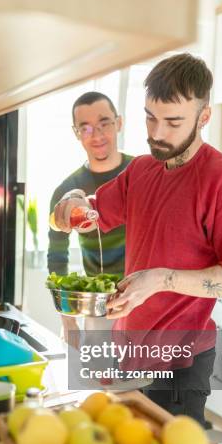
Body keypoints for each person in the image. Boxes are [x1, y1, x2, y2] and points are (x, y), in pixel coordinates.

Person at [53, 53, 222, 425]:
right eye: (151, 117)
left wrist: (161, 278)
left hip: (180, 362)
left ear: (204, 117)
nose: (157, 133)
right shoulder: (142, 170)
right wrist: (73, 202)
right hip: (125, 346)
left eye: (173, 122)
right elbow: (92, 214)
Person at [48, 92, 133, 345]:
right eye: (85, 128)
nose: (96, 135)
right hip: (100, 308)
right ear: (76, 133)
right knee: (101, 381)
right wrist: (66, 317)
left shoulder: (142, 175)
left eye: (104, 123)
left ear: (119, 123)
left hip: (148, 303)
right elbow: (57, 256)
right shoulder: (66, 192)